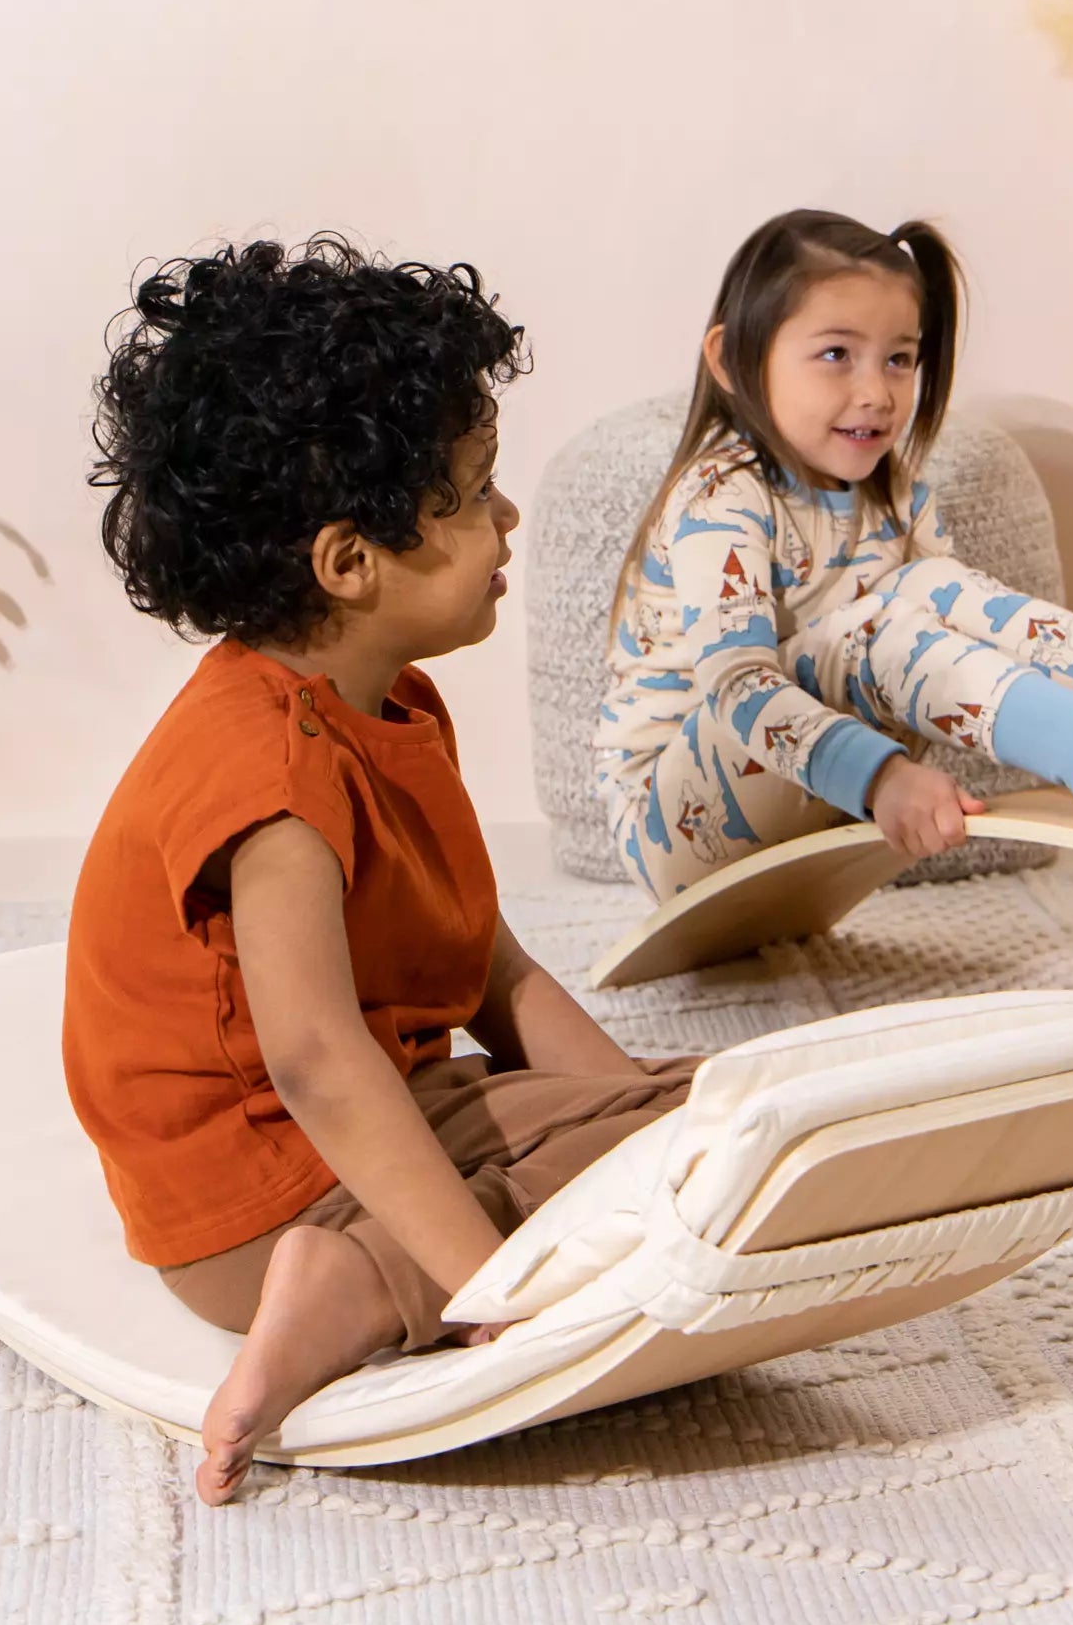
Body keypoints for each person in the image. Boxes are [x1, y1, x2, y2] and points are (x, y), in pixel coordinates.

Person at [64, 236, 697, 1506]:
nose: (507, 519)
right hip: (262, 1204)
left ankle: (431, 1244)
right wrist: (494, 1289)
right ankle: (352, 1288)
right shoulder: (271, 778)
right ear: (349, 562)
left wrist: (644, 1125)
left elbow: (494, 973)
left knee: (705, 1120)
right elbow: (314, 1060)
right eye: (473, 495)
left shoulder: (388, 704)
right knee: (665, 1165)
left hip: (368, 1120)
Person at [599, 207, 1073, 903]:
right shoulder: (721, 493)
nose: (876, 393)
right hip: (676, 824)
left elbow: (958, 645)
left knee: (938, 586)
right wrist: (882, 777)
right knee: (878, 625)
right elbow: (737, 687)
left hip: (806, 792)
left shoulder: (895, 492)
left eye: (899, 359)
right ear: (732, 359)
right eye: (836, 355)